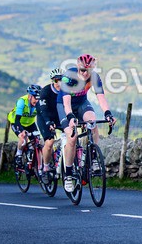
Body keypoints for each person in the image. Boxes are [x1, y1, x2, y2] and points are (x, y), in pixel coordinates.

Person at [58, 54, 116, 192]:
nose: (85, 73)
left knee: (93, 122)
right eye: (82, 70)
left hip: (82, 103)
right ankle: (69, 174)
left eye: (88, 71)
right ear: (78, 67)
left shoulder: (94, 77)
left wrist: (108, 113)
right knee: (71, 138)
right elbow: (66, 102)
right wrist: (71, 117)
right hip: (64, 105)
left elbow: (101, 98)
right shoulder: (69, 75)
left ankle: (93, 158)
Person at [36, 67, 64, 181]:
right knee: (50, 141)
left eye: (62, 79)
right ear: (53, 81)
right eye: (56, 80)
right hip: (44, 117)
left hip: (57, 117)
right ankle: (46, 168)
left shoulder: (66, 91)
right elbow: (43, 109)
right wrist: (48, 121)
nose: (59, 82)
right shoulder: (46, 91)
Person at [7, 84, 41, 171]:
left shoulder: (39, 103)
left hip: (30, 123)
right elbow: (17, 119)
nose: (37, 101)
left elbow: (43, 117)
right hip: (17, 122)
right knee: (23, 139)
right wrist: (22, 131)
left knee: (38, 141)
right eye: (35, 98)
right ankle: (18, 155)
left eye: (38, 98)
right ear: (30, 96)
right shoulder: (22, 101)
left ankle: (36, 165)